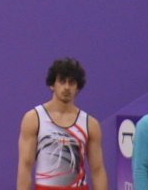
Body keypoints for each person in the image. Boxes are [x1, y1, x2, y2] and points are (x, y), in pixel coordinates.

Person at [15, 57, 109, 190]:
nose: (66, 87)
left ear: (77, 87)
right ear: (52, 85)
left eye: (72, 82)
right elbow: (25, 166)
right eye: (62, 81)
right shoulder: (34, 119)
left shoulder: (90, 124)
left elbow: (97, 170)